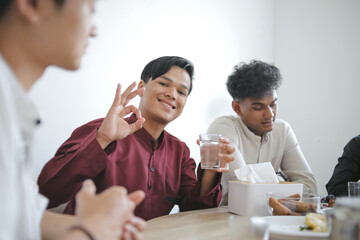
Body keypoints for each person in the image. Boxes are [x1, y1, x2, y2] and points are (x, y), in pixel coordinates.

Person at [0, 0, 146, 239]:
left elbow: (23, 215)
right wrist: (90, 231)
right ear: (32, 5)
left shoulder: (14, 106)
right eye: (90, 10)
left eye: (182, 91)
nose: (94, 30)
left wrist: (97, 222)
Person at [38, 56, 235, 221]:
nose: (172, 94)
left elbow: (194, 213)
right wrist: (102, 139)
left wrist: (210, 169)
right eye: (164, 83)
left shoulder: (180, 151)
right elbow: (47, 193)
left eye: (182, 92)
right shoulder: (101, 130)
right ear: (142, 86)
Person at [206, 60, 318, 205]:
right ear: (237, 108)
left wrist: (270, 183)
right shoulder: (223, 128)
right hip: (224, 218)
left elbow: (310, 187)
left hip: (270, 217)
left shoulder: (283, 129)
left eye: (273, 104)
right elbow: (245, 186)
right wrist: (282, 182)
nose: (270, 114)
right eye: (258, 107)